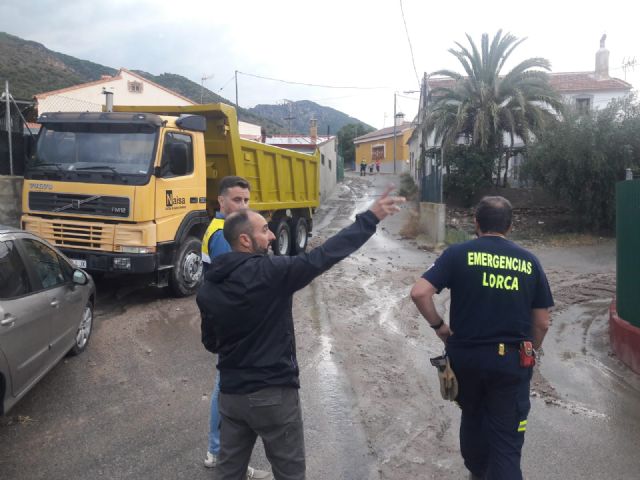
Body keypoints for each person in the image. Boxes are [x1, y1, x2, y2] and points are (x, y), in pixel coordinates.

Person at [197, 186, 405, 480]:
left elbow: (210, 343)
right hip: (274, 396)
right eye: (265, 230)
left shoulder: (209, 287)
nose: (272, 236)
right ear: (245, 240)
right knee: (290, 473)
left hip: (231, 397)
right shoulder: (272, 273)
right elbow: (324, 255)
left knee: (228, 473)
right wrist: (370, 218)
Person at [410, 196, 552, 480]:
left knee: (472, 417)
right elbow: (542, 323)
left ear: (475, 223)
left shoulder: (457, 254)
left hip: (467, 359)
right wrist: (531, 351)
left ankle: (477, 471)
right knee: (506, 442)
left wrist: (440, 327)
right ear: (509, 227)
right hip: (510, 362)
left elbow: (419, 292)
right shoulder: (529, 262)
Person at [200, 176, 270, 480]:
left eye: (246, 200)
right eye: (236, 200)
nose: (242, 206)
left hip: (225, 318)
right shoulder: (221, 235)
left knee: (224, 383)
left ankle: (220, 451)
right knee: (225, 386)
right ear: (221, 201)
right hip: (231, 322)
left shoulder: (224, 229)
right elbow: (235, 281)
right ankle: (219, 452)